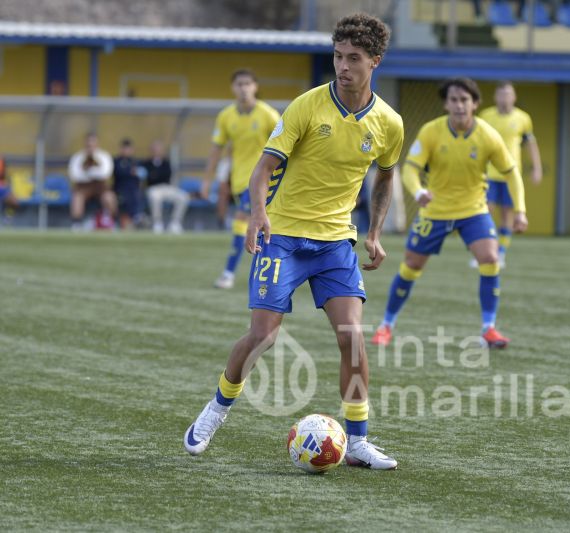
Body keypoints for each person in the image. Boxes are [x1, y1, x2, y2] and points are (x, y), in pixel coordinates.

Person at [184, 13, 404, 470]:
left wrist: (376, 231)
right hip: (282, 236)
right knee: (263, 335)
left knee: (353, 337)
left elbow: (384, 178)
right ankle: (215, 411)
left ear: (375, 62)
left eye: (354, 59)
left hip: (335, 244)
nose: (343, 66)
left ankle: (358, 440)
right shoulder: (307, 105)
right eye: (338, 56)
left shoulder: (389, 123)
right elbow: (263, 168)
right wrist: (259, 214)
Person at [371, 77, 527, 350]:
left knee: (490, 258)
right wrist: (418, 192)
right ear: (446, 104)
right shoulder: (432, 132)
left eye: (464, 100)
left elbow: (511, 173)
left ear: (475, 104)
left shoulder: (488, 135)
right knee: (411, 266)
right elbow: (410, 168)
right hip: (435, 212)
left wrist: (520, 211)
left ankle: (488, 329)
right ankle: (386, 325)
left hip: (473, 211)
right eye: (453, 100)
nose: (459, 105)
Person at [202, 69, 281, 289]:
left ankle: (228, 273)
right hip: (239, 181)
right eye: (239, 84)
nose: (244, 88)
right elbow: (216, 149)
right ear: (233, 88)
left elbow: (284, 147)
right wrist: (207, 181)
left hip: (262, 180)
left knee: (241, 219)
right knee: (264, 227)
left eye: (248, 83)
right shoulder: (226, 116)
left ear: (255, 86)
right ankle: (272, 274)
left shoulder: (268, 114)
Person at [478, 80, 542, 268]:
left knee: (507, 216)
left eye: (508, 94)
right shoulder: (485, 116)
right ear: (495, 97)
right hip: (489, 173)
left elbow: (531, 144)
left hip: (511, 174)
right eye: (501, 94)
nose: (505, 98)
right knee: (485, 212)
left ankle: (500, 253)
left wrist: (536, 168)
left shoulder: (523, 118)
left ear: (514, 97)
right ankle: (484, 251)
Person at [68, 132, 116, 231]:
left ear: (97, 143)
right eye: (88, 143)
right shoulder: (78, 157)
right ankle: (76, 224)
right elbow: (75, 175)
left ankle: (112, 221)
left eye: (93, 143)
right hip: (83, 186)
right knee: (77, 198)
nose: (90, 146)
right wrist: (92, 173)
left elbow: (105, 173)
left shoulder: (103, 156)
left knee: (109, 197)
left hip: (100, 185)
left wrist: (89, 171)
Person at [142, 140, 189, 234]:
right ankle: (157, 223)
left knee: (183, 196)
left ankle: (175, 223)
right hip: (153, 188)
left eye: (159, 149)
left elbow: (166, 176)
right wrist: (154, 176)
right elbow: (149, 179)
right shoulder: (146, 163)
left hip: (166, 187)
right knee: (155, 197)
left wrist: (154, 175)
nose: (157, 151)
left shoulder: (166, 163)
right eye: (155, 149)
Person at [113, 138, 143, 230]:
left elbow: (140, 174)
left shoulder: (135, 162)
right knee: (128, 195)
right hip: (120, 189)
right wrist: (130, 172)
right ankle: (135, 218)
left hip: (134, 189)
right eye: (124, 148)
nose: (126, 151)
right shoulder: (116, 161)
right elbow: (118, 173)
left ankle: (137, 217)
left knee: (138, 194)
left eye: (128, 149)